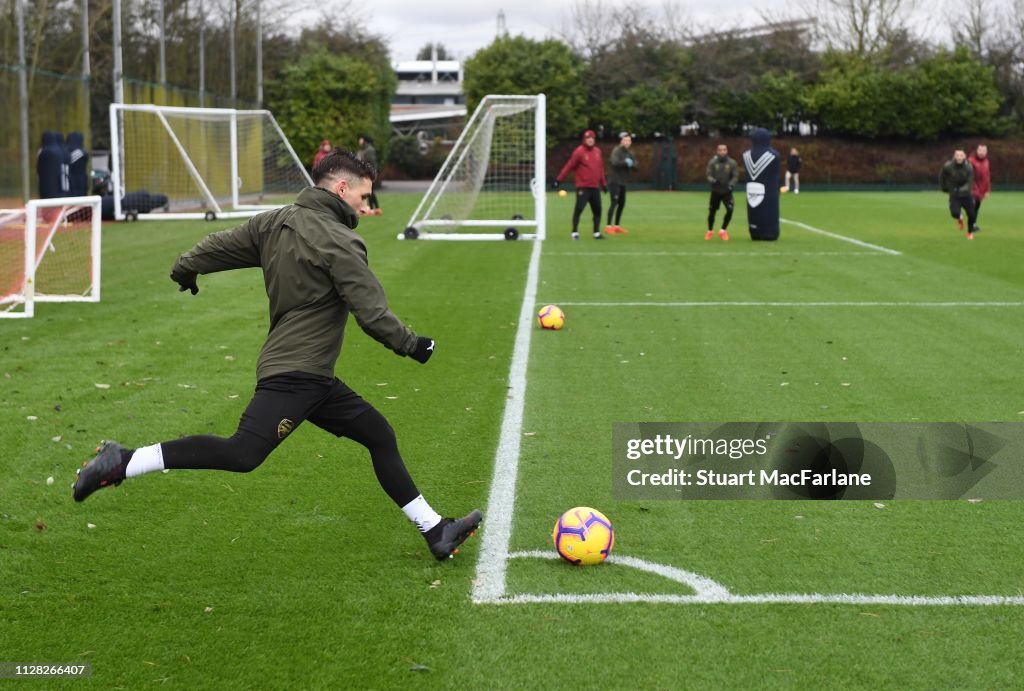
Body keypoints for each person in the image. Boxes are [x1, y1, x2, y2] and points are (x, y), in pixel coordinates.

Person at [72, 149, 482, 562]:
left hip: (313, 377)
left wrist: (186, 268)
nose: (366, 204)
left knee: (379, 435)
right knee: (242, 453)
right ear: (342, 188)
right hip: (296, 376)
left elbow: (218, 245)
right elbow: (371, 313)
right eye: (363, 195)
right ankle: (123, 461)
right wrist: (413, 345)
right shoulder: (340, 240)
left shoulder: (272, 222)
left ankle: (436, 531)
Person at [553, 129, 607, 240]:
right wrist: (559, 180)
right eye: (588, 138)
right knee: (579, 209)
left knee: (598, 210)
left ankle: (596, 233)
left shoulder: (597, 151)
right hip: (583, 186)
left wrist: (603, 183)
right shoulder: (579, 151)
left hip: (595, 187)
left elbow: (600, 169)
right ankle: (574, 232)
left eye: (592, 138)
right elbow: (569, 166)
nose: (590, 140)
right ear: (584, 140)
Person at [743, 128, 782, 241]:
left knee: (754, 207)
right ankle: (769, 230)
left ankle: (754, 229)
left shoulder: (746, 155)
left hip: (752, 191)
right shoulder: (773, 156)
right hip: (769, 194)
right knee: (768, 208)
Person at [940, 149, 978, 239]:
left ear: (964, 156)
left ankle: (969, 232)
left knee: (972, 215)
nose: (959, 157)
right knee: (954, 213)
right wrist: (944, 187)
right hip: (954, 195)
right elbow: (942, 176)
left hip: (966, 195)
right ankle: (959, 217)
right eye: (957, 155)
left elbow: (969, 183)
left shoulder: (969, 167)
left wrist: (960, 190)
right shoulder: (948, 166)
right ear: (954, 156)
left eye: (961, 155)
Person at [705, 143, 738, 241]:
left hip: (727, 191)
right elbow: (708, 175)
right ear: (717, 151)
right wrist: (713, 181)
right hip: (716, 191)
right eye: (720, 150)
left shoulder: (732, 163)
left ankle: (723, 230)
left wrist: (731, 184)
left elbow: (735, 176)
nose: (722, 152)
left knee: (730, 210)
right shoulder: (713, 162)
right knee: (712, 211)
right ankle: (709, 231)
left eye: (724, 150)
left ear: (727, 151)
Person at [606, 131, 636, 234]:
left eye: (629, 140)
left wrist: (632, 165)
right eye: (625, 140)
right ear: (621, 141)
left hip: (623, 182)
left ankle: (617, 226)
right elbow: (614, 163)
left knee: (621, 204)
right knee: (614, 203)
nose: (627, 142)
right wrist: (625, 162)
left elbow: (636, 167)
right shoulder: (616, 151)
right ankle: (608, 226)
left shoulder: (630, 153)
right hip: (614, 181)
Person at [357, 135, 382, 215]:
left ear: (364, 140)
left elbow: (371, 163)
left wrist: (371, 173)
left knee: (370, 191)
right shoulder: (362, 150)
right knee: (369, 191)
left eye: (361, 139)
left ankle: (376, 208)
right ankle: (372, 209)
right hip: (364, 173)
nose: (359, 141)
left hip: (369, 173)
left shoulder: (369, 150)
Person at [968, 144, 990, 227]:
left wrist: (987, 190)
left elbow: (987, 176)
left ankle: (973, 224)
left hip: (981, 190)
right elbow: (969, 177)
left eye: (984, 151)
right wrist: (975, 189)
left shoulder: (986, 161)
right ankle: (970, 224)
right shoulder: (971, 161)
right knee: (972, 207)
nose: (982, 153)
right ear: (977, 151)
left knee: (976, 207)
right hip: (972, 190)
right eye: (980, 150)